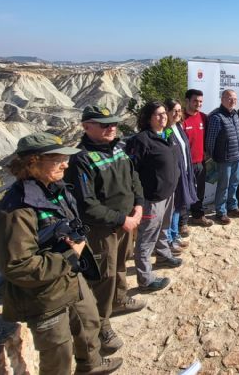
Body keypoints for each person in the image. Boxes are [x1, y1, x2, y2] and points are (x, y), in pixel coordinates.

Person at [0, 132, 123, 375]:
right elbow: (18, 266)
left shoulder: (54, 189)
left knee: (89, 323)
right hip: (44, 296)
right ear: (32, 163)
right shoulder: (16, 210)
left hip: (71, 278)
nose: (66, 164)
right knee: (59, 355)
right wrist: (69, 255)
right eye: (57, 159)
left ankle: (91, 365)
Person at [64, 105, 147, 356]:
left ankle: (120, 299)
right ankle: (102, 325)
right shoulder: (81, 159)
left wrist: (139, 206)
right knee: (103, 277)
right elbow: (86, 205)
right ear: (86, 126)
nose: (111, 127)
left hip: (127, 221)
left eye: (113, 123)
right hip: (102, 230)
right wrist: (123, 219)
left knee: (121, 264)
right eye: (104, 124)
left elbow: (134, 178)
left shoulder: (119, 148)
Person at [125, 101, 182, 292]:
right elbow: (132, 171)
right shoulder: (141, 140)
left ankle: (164, 255)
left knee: (164, 228)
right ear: (148, 118)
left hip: (168, 194)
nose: (163, 117)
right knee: (146, 238)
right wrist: (137, 200)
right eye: (157, 114)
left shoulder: (167, 134)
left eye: (164, 113)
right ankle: (146, 278)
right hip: (151, 198)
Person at [206, 89, 239, 225]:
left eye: (235, 99)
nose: (233, 101)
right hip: (224, 159)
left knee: (234, 183)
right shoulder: (216, 117)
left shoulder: (235, 115)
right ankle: (220, 212)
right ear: (222, 99)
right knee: (223, 185)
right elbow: (210, 141)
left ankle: (232, 207)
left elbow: (238, 136)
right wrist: (214, 156)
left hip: (237, 156)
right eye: (229, 98)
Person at [164, 99, 197, 253]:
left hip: (183, 172)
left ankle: (175, 235)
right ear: (167, 112)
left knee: (178, 206)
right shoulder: (166, 131)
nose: (177, 113)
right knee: (172, 208)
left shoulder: (178, 127)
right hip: (173, 176)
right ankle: (169, 240)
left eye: (179, 110)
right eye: (174, 111)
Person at [181, 89, 212, 229]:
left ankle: (198, 216)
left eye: (200, 101)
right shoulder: (180, 119)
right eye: (195, 101)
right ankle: (181, 223)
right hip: (184, 165)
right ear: (187, 101)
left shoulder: (204, 118)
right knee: (182, 193)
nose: (198, 104)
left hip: (200, 162)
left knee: (199, 191)